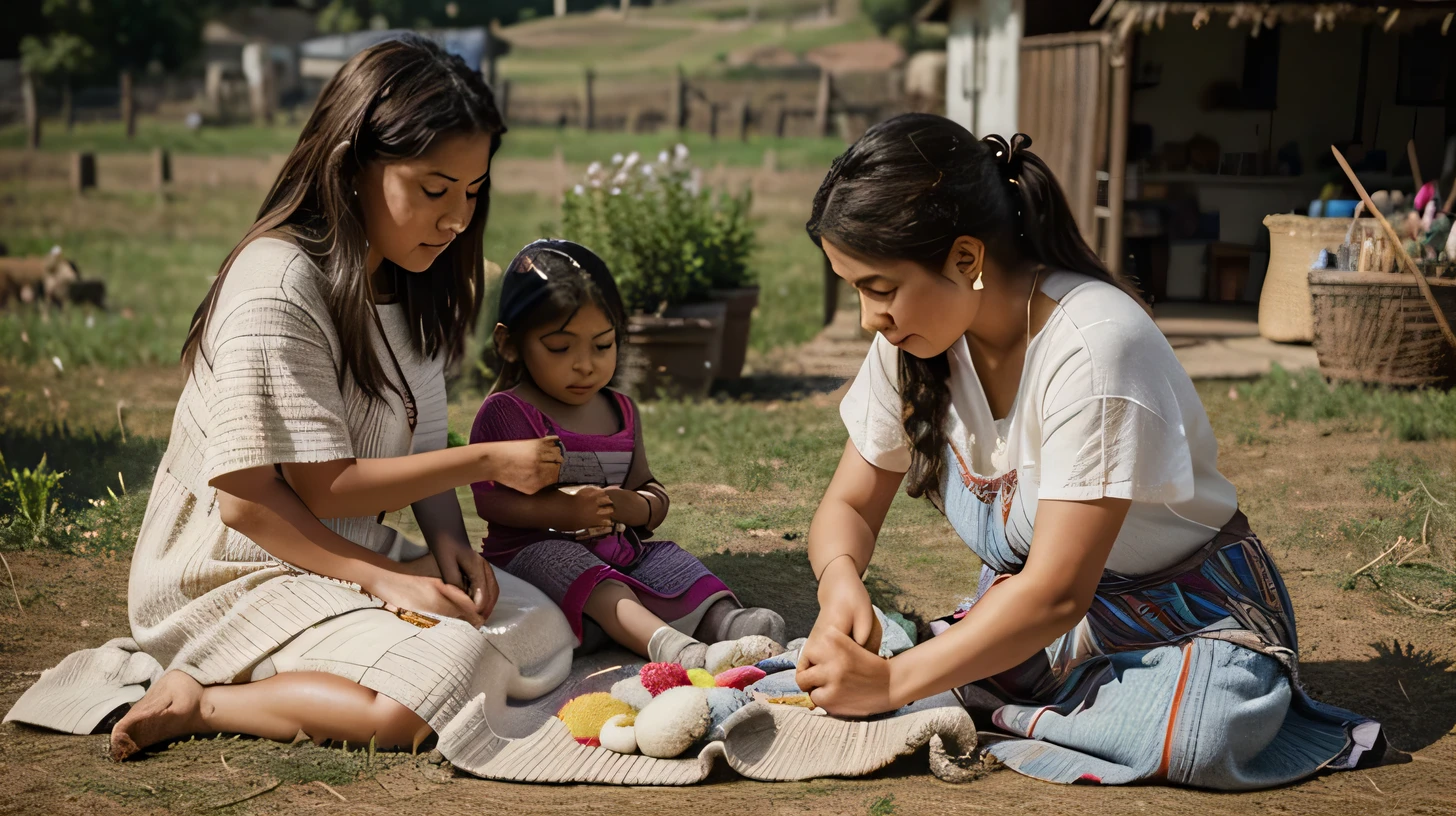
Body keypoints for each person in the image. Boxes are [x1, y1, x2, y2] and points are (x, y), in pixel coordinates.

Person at [5, 35, 573, 762]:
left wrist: (449, 545)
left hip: (343, 556)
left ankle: (347, 644)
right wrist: (410, 557)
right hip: (234, 572)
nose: (457, 220)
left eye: (472, 192)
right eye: (434, 191)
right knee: (422, 697)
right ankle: (201, 700)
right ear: (352, 165)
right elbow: (277, 498)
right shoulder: (277, 286)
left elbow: (425, 439)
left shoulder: (414, 279)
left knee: (535, 626)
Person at [793, 114, 1383, 789]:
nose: (870, 317)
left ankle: (994, 695)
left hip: (1187, 623)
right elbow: (849, 505)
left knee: (1198, 737)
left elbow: (1055, 594)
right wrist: (840, 583)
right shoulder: (911, 345)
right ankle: (1010, 684)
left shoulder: (1096, 345)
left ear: (965, 259)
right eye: (857, 290)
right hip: (1048, 623)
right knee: (940, 658)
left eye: (880, 288)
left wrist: (895, 681)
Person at [470, 239, 785, 669]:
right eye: (561, 348)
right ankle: (670, 646)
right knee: (591, 579)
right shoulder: (508, 412)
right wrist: (564, 512)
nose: (585, 364)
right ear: (510, 343)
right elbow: (489, 499)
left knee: (672, 563)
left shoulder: (620, 410)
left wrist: (638, 505)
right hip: (532, 555)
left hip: (619, 547)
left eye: (602, 345)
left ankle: (727, 624)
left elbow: (647, 486)